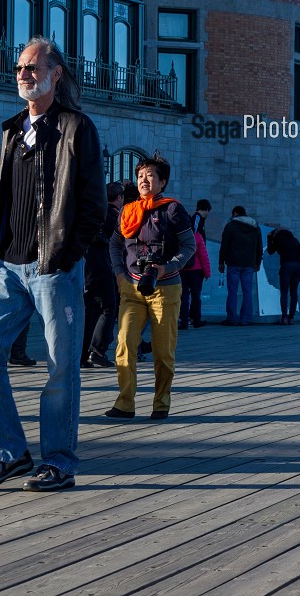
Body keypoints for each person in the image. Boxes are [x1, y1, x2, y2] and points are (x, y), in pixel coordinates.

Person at [0, 36, 104, 492]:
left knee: (60, 365)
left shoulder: (76, 128)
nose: (23, 74)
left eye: (32, 67)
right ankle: (8, 452)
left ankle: (59, 461)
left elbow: (93, 204)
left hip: (54, 267)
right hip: (8, 267)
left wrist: (67, 255)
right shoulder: (11, 130)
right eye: (19, 68)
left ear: (55, 73)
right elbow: (1, 200)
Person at [105, 155, 195, 419]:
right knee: (124, 343)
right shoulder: (128, 210)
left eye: (151, 175)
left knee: (163, 350)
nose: (144, 180)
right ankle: (125, 403)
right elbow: (115, 245)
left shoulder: (172, 210)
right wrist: (120, 274)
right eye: (141, 175)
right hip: (131, 287)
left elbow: (189, 247)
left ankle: (161, 402)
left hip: (165, 288)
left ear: (162, 181)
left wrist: (166, 267)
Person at [81, 183, 122, 368]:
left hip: (88, 268)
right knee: (108, 308)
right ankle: (97, 350)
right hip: (103, 268)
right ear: (119, 198)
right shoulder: (112, 216)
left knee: (91, 311)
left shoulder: (92, 213)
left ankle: (83, 354)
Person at [218, 206, 262, 325]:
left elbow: (224, 246)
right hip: (249, 263)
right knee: (247, 291)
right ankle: (246, 319)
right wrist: (257, 262)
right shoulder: (255, 227)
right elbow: (259, 247)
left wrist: (221, 262)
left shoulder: (230, 226)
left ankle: (232, 318)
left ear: (235, 213)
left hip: (233, 263)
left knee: (232, 291)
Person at [180, 198, 212, 328]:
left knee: (185, 296)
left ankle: (185, 320)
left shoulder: (181, 237)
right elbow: (202, 252)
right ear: (206, 209)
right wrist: (207, 272)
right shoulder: (197, 220)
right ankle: (195, 319)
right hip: (195, 267)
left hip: (184, 268)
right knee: (195, 295)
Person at [266, 227, 300, 324]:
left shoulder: (278, 239)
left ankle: (284, 317)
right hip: (298, 266)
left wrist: (269, 239)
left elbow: (270, 251)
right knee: (294, 292)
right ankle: (291, 318)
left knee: (284, 292)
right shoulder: (294, 240)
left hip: (287, 265)